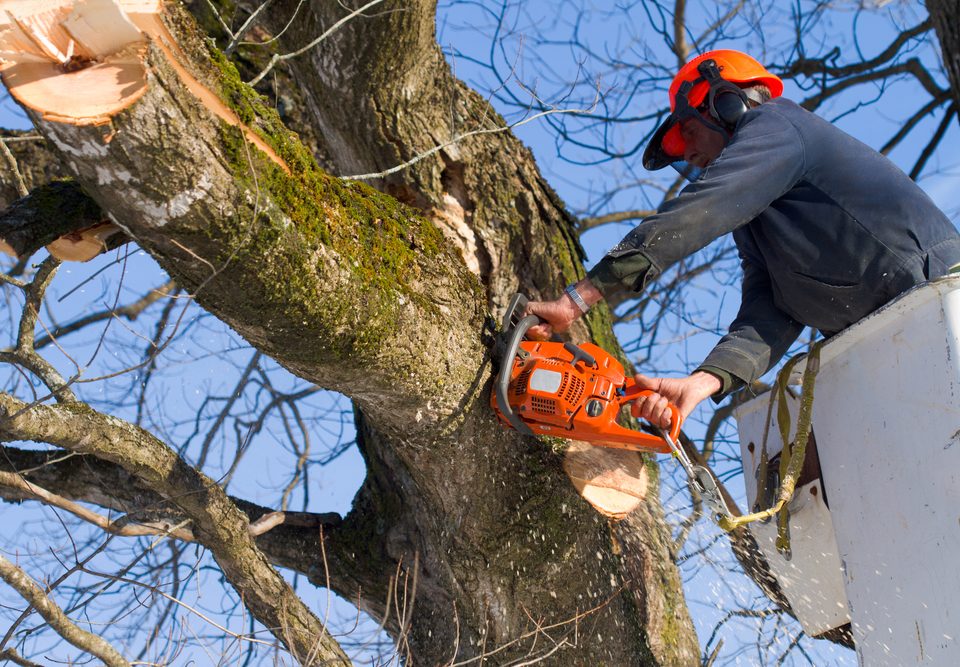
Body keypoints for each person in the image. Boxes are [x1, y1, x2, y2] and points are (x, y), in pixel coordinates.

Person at [526, 49, 960, 428]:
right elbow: (769, 310)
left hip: (938, 298)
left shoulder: (780, 125)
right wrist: (704, 381)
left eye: (690, 132)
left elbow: (701, 209)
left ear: (725, 103)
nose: (689, 154)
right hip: (893, 343)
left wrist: (579, 298)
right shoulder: (758, 224)